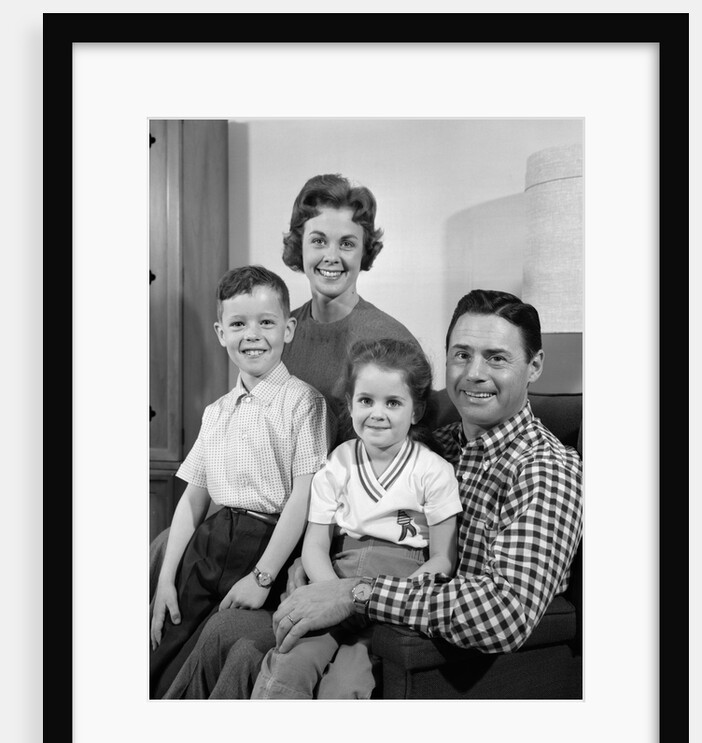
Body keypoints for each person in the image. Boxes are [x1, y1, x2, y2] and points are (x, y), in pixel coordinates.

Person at [271, 289, 583, 663]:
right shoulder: (435, 444)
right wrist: (314, 568)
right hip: (363, 615)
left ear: (534, 366)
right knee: (241, 648)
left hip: (432, 659)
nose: (474, 373)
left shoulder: (546, 470)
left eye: (496, 358)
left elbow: (505, 613)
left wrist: (356, 593)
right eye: (462, 355)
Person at [149, 265, 329, 699]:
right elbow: (193, 498)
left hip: (265, 543)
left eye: (266, 322)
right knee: (161, 646)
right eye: (238, 324)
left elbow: (303, 497)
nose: (252, 335)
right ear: (220, 333)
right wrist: (165, 580)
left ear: (288, 329)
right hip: (210, 544)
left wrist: (262, 578)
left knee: (204, 651)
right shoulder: (216, 411)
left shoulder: (304, 402)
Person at [250, 338, 462, 699]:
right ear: (349, 405)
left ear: (416, 411)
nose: (377, 413)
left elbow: (443, 558)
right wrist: (331, 594)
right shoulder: (338, 464)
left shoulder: (434, 471)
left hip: (394, 594)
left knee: (346, 685)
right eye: (366, 400)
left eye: (392, 402)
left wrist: (387, 599)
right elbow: (315, 545)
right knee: (288, 665)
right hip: (334, 576)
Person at [280, 172, 422, 444]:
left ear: (364, 251)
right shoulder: (279, 333)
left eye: (346, 244)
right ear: (300, 246)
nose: (331, 257)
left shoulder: (391, 339)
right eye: (319, 241)